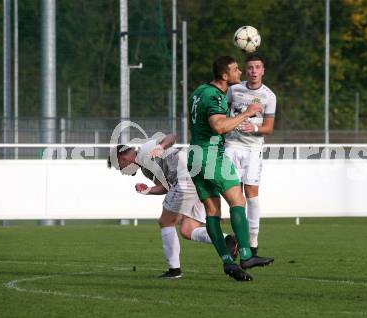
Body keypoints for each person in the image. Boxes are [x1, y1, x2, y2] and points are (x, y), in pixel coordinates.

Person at [187, 56, 274, 282]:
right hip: (211, 155)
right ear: (225, 76)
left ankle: (228, 262)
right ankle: (246, 255)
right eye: (236, 70)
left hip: (195, 155)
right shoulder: (215, 95)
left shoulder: (198, 91)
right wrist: (246, 113)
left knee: (212, 211)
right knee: (238, 201)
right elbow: (218, 126)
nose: (240, 73)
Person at [107, 133, 238, 279]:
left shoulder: (145, 149)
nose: (122, 172)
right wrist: (148, 190)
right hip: (197, 179)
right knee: (187, 230)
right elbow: (165, 187)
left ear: (122, 157)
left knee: (165, 221)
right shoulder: (145, 170)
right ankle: (227, 240)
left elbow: (171, 136)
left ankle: (174, 270)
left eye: (119, 167)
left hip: (186, 178)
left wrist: (161, 146)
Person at [225, 54, 276, 257]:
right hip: (231, 145)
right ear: (246, 71)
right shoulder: (234, 89)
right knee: (232, 195)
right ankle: (238, 237)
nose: (254, 71)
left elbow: (269, 128)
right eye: (250, 68)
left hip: (254, 150)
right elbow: (224, 113)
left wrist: (253, 126)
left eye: (258, 67)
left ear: (263, 71)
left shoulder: (269, 96)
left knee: (252, 195)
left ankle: (253, 244)